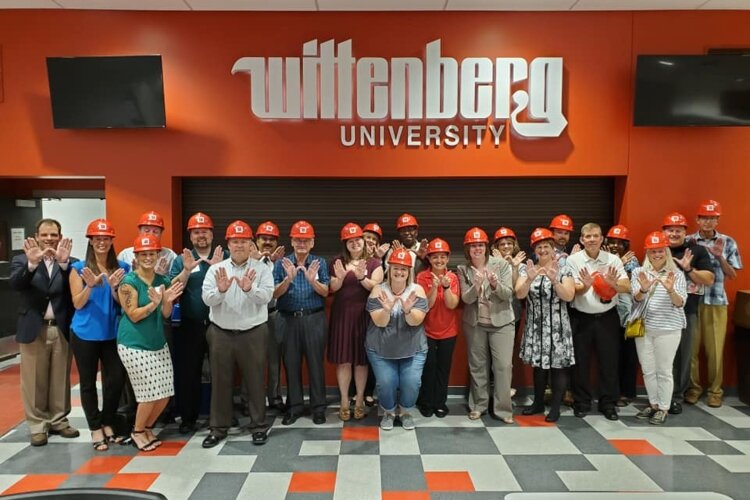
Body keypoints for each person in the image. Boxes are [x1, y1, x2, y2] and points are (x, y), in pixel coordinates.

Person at [201, 221, 274, 448]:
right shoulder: (216, 269)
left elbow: (267, 297)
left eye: (243, 241)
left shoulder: (261, 268)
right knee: (220, 381)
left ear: (250, 243)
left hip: (253, 332)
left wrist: (249, 289)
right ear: (228, 244)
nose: (239, 245)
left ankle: (258, 425)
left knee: (254, 381)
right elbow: (207, 299)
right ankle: (218, 428)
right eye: (235, 241)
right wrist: (221, 291)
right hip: (221, 332)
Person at [10, 218, 79, 446]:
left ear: (60, 237)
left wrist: (63, 264)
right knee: (34, 380)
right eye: (45, 235)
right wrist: (31, 265)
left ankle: (59, 420)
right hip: (33, 328)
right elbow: (16, 285)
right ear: (36, 236)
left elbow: (73, 293)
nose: (49, 239)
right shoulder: (22, 260)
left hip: (59, 328)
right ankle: (37, 425)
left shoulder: (71, 263)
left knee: (60, 377)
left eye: (54, 235)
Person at [117, 235, 183, 452]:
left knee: (164, 393)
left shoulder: (162, 281)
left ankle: (146, 428)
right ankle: (137, 432)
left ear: (157, 256)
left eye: (151, 254)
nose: (147, 257)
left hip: (157, 342)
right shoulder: (128, 283)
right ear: (136, 256)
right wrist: (153, 304)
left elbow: (165, 314)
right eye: (143, 254)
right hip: (134, 344)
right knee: (148, 393)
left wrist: (166, 302)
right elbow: (133, 315)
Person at [69, 219, 129, 450]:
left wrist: (114, 287)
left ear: (112, 241)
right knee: (87, 383)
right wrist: (91, 285)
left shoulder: (122, 267)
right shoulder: (79, 269)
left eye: (106, 238)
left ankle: (108, 422)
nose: (102, 242)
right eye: (97, 239)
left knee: (115, 380)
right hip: (84, 333)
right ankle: (95, 428)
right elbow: (77, 303)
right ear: (91, 242)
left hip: (112, 333)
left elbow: (123, 302)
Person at [168, 212, 225, 434]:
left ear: (212, 234)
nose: (201, 235)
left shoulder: (224, 254)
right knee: (188, 373)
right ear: (190, 236)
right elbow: (173, 286)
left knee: (222, 372)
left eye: (205, 231)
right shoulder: (182, 258)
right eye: (196, 232)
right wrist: (186, 270)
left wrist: (219, 267)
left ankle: (220, 417)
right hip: (189, 324)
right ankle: (188, 418)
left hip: (218, 324)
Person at [566, 222, 629, 421]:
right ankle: (582, 402)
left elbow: (626, 286)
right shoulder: (573, 260)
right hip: (581, 318)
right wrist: (585, 286)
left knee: (609, 362)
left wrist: (612, 283)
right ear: (581, 239)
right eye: (587, 236)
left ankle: (608, 404)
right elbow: (573, 290)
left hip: (607, 317)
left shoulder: (613, 260)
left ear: (602, 239)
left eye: (595, 236)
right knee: (580, 363)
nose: (592, 239)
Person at [515, 228, 576, 422]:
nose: (543, 250)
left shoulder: (564, 269)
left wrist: (554, 280)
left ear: (553, 248)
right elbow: (519, 294)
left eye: (546, 246)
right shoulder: (528, 268)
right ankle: (538, 403)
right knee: (539, 367)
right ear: (535, 249)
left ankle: (555, 407)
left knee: (557, 367)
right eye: (539, 247)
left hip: (558, 326)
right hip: (536, 326)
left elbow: (569, 295)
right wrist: (530, 278)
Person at [273, 221, 330, 425]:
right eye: (298, 239)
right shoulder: (281, 263)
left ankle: (318, 408)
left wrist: (312, 280)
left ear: (312, 242)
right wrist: (287, 280)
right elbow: (274, 293)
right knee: (291, 363)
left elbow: (326, 291)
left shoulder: (320, 263)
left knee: (316, 364)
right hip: (287, 319)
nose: (302, 244)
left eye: (306, 240)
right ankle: (294, 406)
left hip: (314, 318)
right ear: (291, 241)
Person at [686, 200, 743, 408]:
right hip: (691, 301)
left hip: (716, 301)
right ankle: (693, 388)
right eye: (704, 217)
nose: (708, 222)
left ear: (717, 219)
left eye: (712, 218)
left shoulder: (728, 242)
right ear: (697, 220)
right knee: (690, 349)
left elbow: (733, 274)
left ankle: (715, 391)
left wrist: (720, 258)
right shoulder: (688, 241)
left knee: (715, 350)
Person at [458, 227, 515, 424]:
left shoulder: (501, 265)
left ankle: (503, 409)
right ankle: (479, 406)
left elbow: (508, 293)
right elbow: (465, 299)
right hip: (475, 323)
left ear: (486, 246)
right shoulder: (462, 269)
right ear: (468, 249)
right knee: (477, 366)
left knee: (503, 366)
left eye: (480, 245)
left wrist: (493, 284)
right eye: (473, 246)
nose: (477, 249)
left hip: (502, 323)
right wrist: (476, 285)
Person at [366, 249, 428, 430]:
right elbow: (379, 322)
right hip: (381, 348)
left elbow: (416, 321)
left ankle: (406, 412)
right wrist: (386, 309)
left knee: (411, 382)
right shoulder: (379, 290)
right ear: (389, 269)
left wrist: (408, 310)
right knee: (386, 382)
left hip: (413, 348)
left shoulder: (417, 290)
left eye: (403, 269)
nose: (399, 272)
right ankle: (388, 412)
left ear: (409, 271)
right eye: (395, 268)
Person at [328, 223, 384, 421]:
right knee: (343, 360)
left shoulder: (375, 263)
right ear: (345, 244)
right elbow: (332, 288)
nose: (355, 244)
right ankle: (344, 400)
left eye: (358, 240)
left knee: (361, 361)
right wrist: (341, 278)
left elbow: (375, 287)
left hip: (364, 316)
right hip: (342, 316)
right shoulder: (337, 261)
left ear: (364, 241)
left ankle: (359, 399)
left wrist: (361, 277)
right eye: (350, 241)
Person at [632, 231, 687, 425]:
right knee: (648, 369)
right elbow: (636, 298)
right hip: (644, 328)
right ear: (647, 253)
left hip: (669, 329)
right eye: (653, 251)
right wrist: (644, 288)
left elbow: (680, 303)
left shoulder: (677, 274)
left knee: (664, 370)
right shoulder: (638, 272)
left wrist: (671, 289)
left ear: (666, 252)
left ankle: (664, 407)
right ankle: (654, 404)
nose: (657, 255)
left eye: (660, 251)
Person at [661, 212, 714, 414]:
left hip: (687, 310)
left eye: (678, 230)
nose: (674, 233)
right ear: (663, 231)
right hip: (660, 312)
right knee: (662, 356)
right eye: (670, 230)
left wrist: (689, 269)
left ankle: (676, 396)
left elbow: (709, 279)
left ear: (685, 231)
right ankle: (660, 394)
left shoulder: (696, 250)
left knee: (683, 355)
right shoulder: (657, 249)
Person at [416, 238, 460, 418]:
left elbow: (452, 304)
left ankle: (440, 403)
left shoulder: (453, 277)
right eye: (435, 257)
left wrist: (446, 287)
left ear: (447, 259)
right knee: (428, 367)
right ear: (429, 259)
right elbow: (425, 305)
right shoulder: (421, 277)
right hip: (427, 331)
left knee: (443, 367)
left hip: (449, 331)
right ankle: (426, 402)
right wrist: (434, 288)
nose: (439, 261)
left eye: (442, 257)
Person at [604, 224, 640, 408]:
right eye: (612, 242)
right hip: (610, 314)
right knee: (612, 356)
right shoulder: (605, 259)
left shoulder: (632, 262)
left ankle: (627, 392)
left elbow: (631, 286)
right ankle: (612, 391)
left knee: (628, 355)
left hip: (629, 316)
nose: (615, 245)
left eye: (619, 242)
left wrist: (621, 265)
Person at [254, 221, 286, 413]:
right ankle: (248, 398)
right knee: (252, 360)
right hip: (253, 316)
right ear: (256, 241)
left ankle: (274, 397)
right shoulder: (250, 262)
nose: (267, 242)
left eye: (271, 239)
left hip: (274, 315)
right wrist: (260, 261)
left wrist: (273, 262)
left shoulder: (282, 263)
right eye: (264, 238)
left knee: (275, 360)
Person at [361, 222, 388, 407]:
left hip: (375, 310)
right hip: (353, 311)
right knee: (353, 351)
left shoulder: (380, 261)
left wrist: (379, 258)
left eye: (373, 239)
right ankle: (355, 393)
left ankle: (369, 390)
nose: (370, 241)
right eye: (367, 238)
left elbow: (385, 282)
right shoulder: (352, 257)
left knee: (371, 351)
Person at [117, 211, 178, 276]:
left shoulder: (169, 254)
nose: (150, 235)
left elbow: (176, 283)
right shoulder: (125, 254)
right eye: (147, 231)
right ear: (139, 231)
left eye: (155, 232)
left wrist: (161, 278)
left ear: (161, 233)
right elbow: (118, 283)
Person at [383, 213, 429, 279]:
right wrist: (397, 258)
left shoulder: (424, 248)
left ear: (416, 232)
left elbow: (436, 270)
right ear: (399, 233)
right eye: (403, 230)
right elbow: (387, 275)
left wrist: (423, 259)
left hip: (422, 286)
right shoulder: (393, 250)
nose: (407, 233)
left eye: (410, 230)